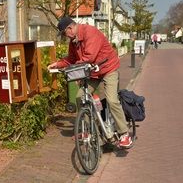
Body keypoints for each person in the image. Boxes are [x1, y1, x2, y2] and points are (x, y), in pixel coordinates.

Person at [48, 16, 132, 148]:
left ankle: (124, 134)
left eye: (64, 33)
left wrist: (73, 69)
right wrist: (58, 64)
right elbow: (71, 59)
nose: (65, 36)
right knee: (80, 97)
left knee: (111, 99)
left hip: (108, 68)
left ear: (70, 28)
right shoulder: (73, 42)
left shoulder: (90, 32)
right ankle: (87, 130)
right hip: (92, 72)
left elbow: (89, 57)